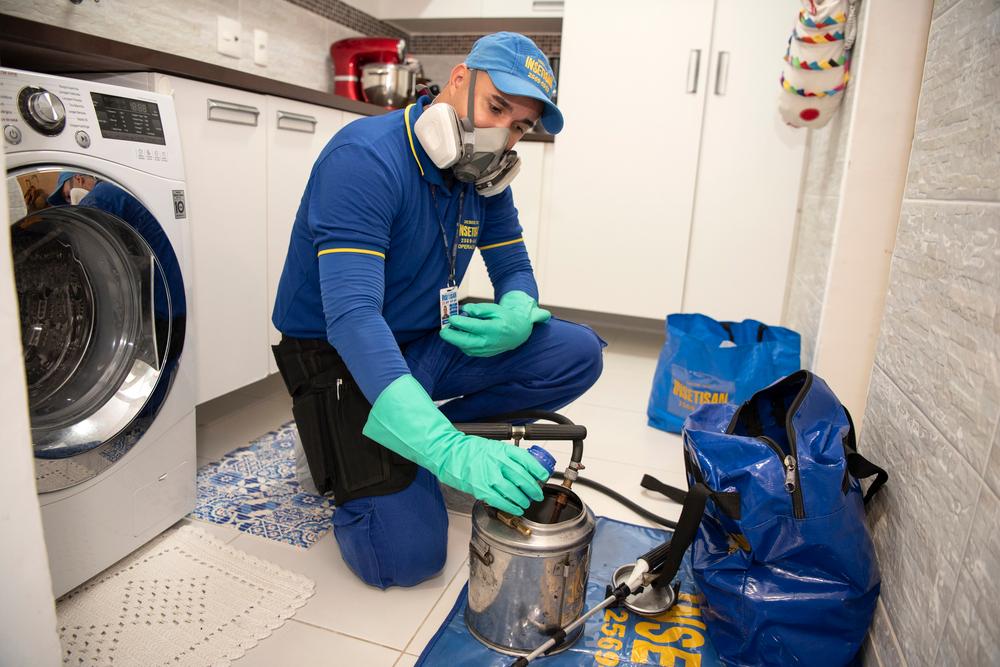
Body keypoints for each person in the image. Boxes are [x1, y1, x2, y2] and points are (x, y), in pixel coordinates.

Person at [271, 32, 605, 589]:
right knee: (404, 561)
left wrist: (519, 310)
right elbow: (352, 317)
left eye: (520, 125)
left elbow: (514, 268)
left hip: (423, 336)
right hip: (339, 354)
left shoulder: (483, 174)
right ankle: (385, 441)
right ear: (457, 80)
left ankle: (415, 437)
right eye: (497, 107)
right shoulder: (364, 158)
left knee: (577, 352)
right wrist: (449, 451)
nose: (503, 134)